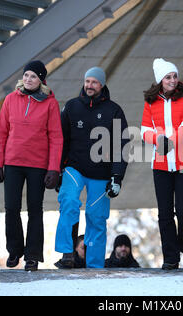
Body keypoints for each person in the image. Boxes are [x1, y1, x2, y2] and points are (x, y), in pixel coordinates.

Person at [0, 60, 63, 271]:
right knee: (11, 208)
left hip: (38, 165)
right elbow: (1, 133)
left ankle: (32, 255)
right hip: (12, 162)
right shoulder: (10, 100)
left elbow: (56, 138)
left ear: (41, 79)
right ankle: (14, 251)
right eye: (26, 75)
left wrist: (53, 169)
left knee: (35, 209)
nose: (28, 79)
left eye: (33, 76)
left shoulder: (50, 103)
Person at [55, 67, 129, 268]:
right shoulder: (71, 107)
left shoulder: (114, 110)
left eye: (94, 82)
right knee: (69, 202)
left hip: (102, 173)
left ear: (102, 85)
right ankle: (66, 252)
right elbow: (60, 140)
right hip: (74, 168)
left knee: (96, 218)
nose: (89, 85)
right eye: (87, 81)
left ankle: (95, 266)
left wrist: (117, 176)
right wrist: (56, 170)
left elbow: (121, 145)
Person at [141, 58, 183, 270]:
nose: (173, 80)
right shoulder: (150, 102)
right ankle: (171, 257)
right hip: (160, 164)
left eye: (174, 76)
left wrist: (170, 142)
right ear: (160, 81)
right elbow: (144, 130)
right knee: (165, 213)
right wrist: (157, 140)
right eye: (168, 77)